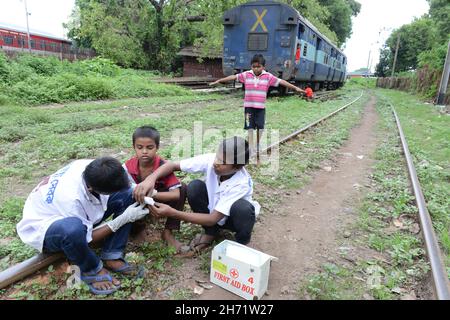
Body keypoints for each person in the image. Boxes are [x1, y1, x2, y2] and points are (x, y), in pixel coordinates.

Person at [16, 157, 149, 295]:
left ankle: (112, 255)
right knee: (72, 230)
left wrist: (138, 189)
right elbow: (86, 238)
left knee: (128, 194)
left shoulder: (92, 167)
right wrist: (122, 220)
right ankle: (92, 270)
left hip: (77, 212)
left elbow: (124, 185)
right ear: (93, 188)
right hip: (47, 228)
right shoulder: (71, 200)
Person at [134, 136, 260, 253]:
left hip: (232, 220)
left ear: (237, 168)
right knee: (194, 187)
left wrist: (172, 212)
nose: (216, 162)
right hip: (214, 212)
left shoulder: (240, 183)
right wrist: (150, 179)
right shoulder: (212, 161)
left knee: (243, 208)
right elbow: (172, 165)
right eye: (217, 157)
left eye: (223, 162)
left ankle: (241, 244)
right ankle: (211, 233)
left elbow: (212, 219)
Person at [210, 54, 305, 156]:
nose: (255, 69)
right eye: (253, 66)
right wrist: (220, 80)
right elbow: (234, 77)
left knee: (260, 126)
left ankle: (258, 143)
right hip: (248, 108)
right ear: (251, 66)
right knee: (249, 126)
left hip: (260, 108)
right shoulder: (246, 75)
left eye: (258, 66)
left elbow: (281, 81)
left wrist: (295, 88)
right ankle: (251, 146)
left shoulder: (268, 77)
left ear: (263, 67)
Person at [125, 126, 189, 253]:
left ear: (157, 147)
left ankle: (168, 232)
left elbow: (176, 195)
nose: (144, 151)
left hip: (158, 200)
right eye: (139, 147)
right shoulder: (128, 166)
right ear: (134, 147)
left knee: (182, 188)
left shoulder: (163, 166)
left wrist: (152, 194)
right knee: (124, 195)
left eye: (149, 147)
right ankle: (137, 229)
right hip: (137, 200)